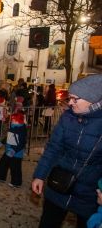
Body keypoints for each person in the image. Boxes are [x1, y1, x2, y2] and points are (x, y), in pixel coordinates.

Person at [32, 75, 102, 228]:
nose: (70, 103)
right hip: (59, 184)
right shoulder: (67, 117)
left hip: (89, 192)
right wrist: (40, 175)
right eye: (70, 98)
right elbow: (53, 148)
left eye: (75, 99)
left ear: (93, 100)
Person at [0, 102, 27, 188]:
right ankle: (0, 177)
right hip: (8, 150)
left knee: (15, 168)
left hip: (16, 153)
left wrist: (14, 150)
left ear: (19, 120)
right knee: (3, 163)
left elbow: (22, 143)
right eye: (13, 119)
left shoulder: (21, 130)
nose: (12, 120)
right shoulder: (13, 127)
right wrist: (2, 142)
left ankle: (16, 183)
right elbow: (9, 136)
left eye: (14, 119)